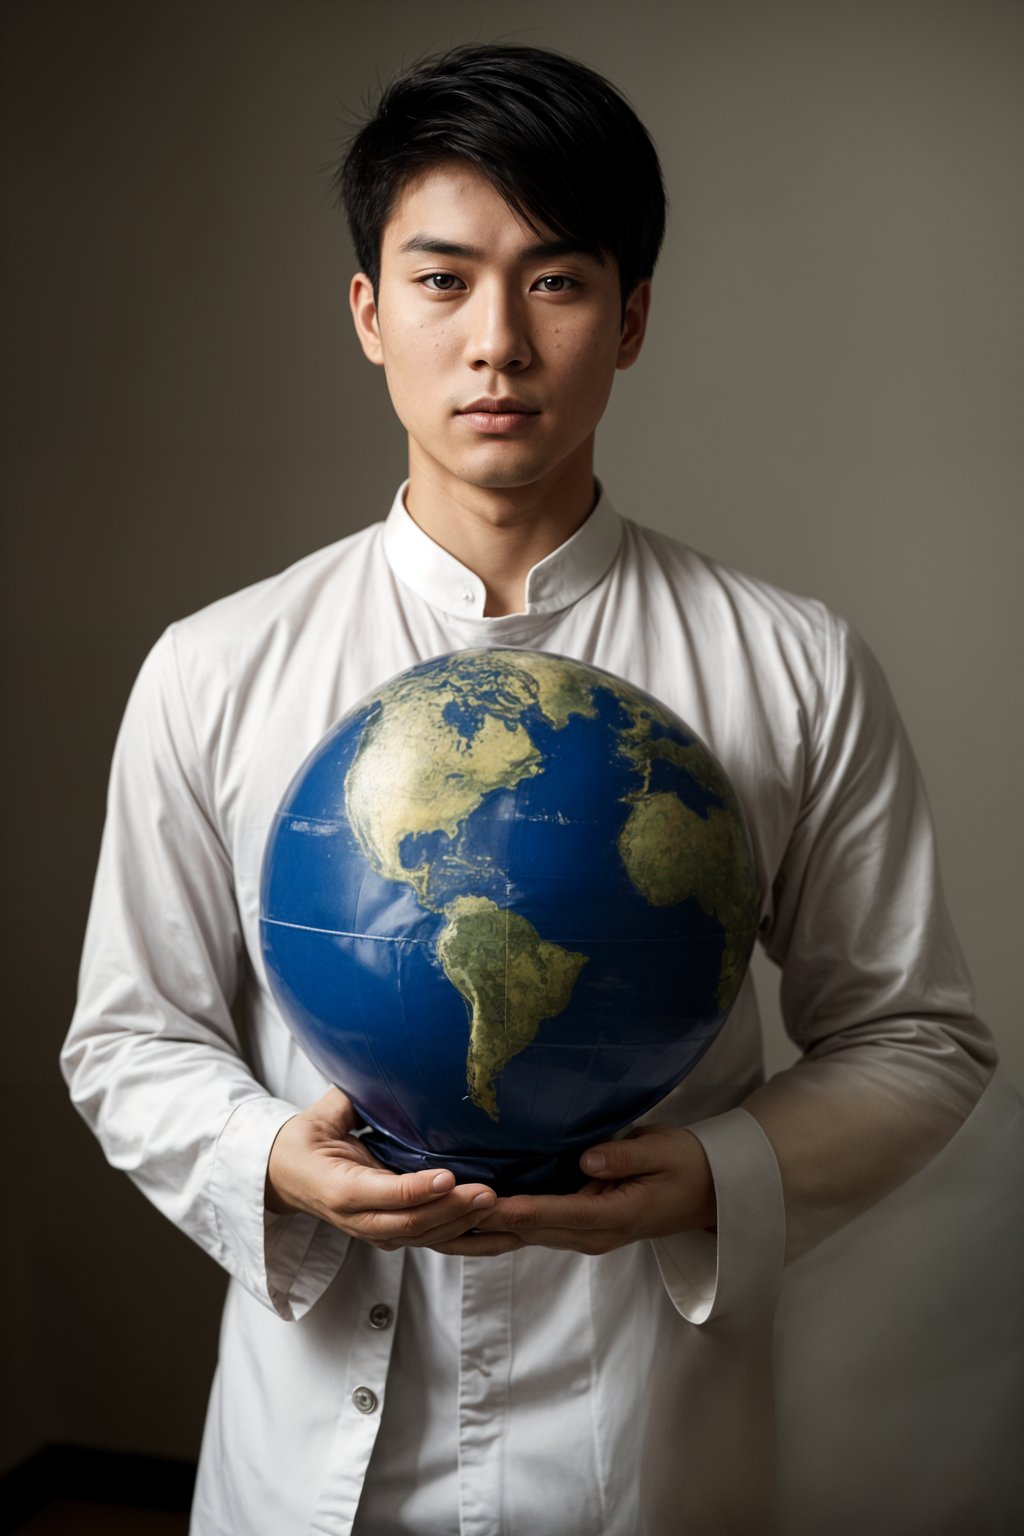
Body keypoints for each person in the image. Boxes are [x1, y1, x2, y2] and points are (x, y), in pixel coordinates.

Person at [62, 43, 1007, 1536]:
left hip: (641, 1446)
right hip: (308, 1458)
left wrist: (708, 1176)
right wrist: (272, 1164)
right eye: (442, 281)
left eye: (556, 283)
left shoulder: (792, 662)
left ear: (630, 320)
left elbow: (918, 1038)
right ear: (369, 315)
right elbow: (127, 1037)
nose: (496, 341)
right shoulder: (216, 667)